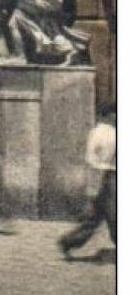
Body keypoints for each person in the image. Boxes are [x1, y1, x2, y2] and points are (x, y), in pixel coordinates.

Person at [59, 106, 116, 260]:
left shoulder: (105, 131)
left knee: (96, 216)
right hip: (108, 176)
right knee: (113, 215)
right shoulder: (103, 132)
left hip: (109, 176)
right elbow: (92, 158)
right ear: (108, 114)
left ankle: (68, 241)